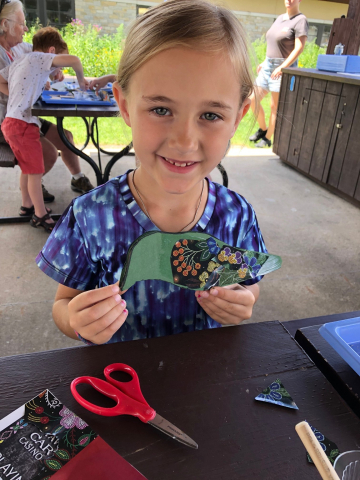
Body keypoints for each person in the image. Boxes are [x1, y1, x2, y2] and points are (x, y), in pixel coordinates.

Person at [36, 0, 268, 345]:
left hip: (201, 384)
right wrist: (75, 319)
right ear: (126, 105)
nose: (185, 141)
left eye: (210, 115)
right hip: (115, 384)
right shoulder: (90, 215)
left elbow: (248, 285)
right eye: (161, 109)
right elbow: (63, 304)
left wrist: (241, 303)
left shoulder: (236, 217)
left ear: (238, 116)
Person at [0, 0, 94, 210]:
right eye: (21, 24)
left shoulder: (21, 48)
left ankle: (77, 177)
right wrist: (24, 93)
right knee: (47, 154)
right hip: (9, 119)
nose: (26, 28)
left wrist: (51, 72)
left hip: (26, 114)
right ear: (5, 24)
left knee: (65, 136)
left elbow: (37, 63)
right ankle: (33, 191)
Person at [249, 0, 308, 148]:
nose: (289, 0)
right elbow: (273, 42)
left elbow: (299, 48)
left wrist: (282, 67)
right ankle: (263, 129)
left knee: (274, 106)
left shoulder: (301, 20)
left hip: (283, 67)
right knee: (251, 99)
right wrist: (264, 61)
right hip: (268, 65)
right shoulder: (280, 18)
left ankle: (268, 138)